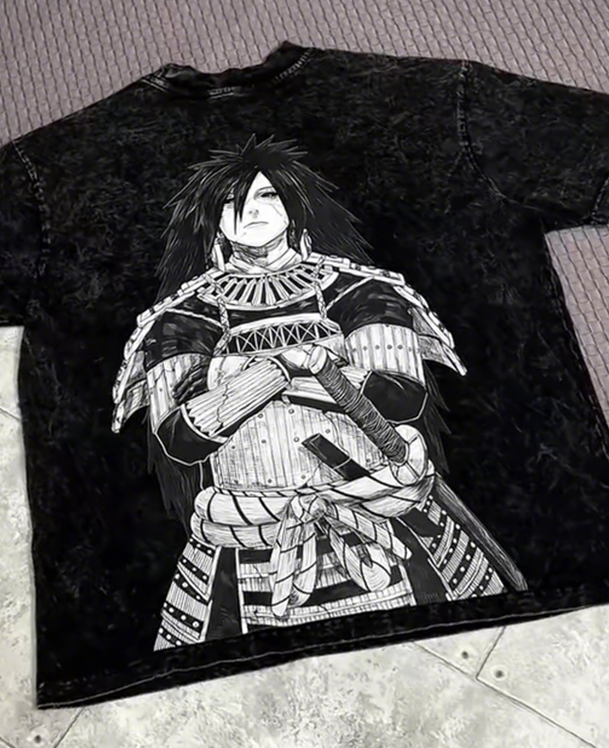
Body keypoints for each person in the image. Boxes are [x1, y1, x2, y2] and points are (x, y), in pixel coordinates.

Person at [111, 133, 526, 651]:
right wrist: (282, 368)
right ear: (211, 221)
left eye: (268, 195)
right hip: (251, 542)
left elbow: (400, 398)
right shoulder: (180, 319)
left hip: (384, 516)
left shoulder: (363, 292)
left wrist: (237, 378)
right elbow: (181, 438)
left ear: (295, 205)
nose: (251, 211)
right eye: (232, 201)